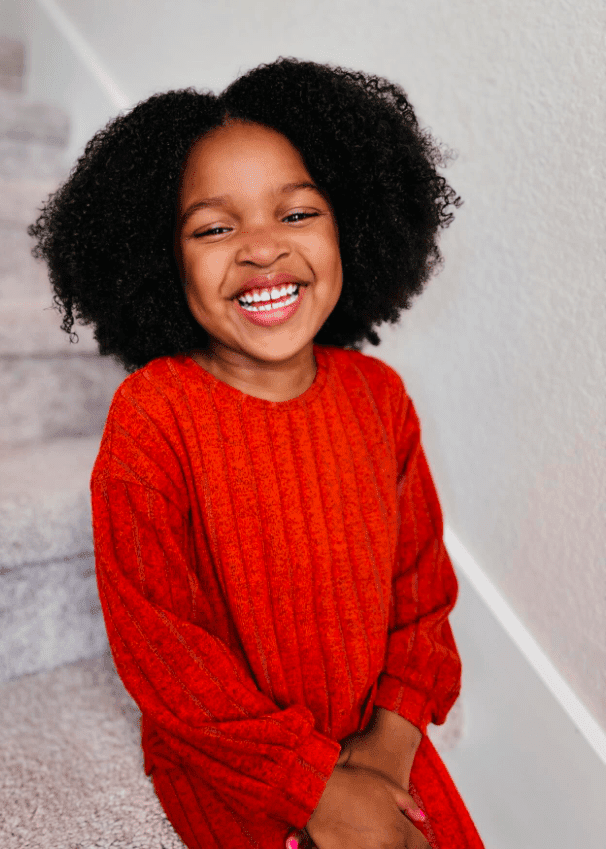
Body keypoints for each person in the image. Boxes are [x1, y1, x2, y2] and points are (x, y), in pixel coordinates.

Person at [29, 57, 485, 849]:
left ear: (354, 224)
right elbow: (166, 652)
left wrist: (390, 744)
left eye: (297, 214)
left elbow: (419, 593)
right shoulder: (154, 415)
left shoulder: (379, 399)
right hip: (233, 758)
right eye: (214, 227)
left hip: (376, 737)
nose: (261, 250)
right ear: (161, 260)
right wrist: (311, 785)